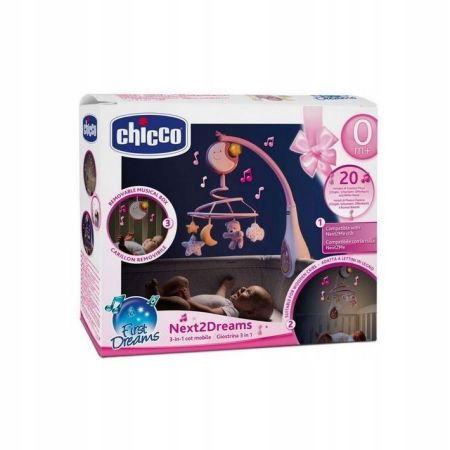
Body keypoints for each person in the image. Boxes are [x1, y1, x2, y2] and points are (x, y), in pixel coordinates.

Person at [146, 275, 273, 322]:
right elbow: (218, 297)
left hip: (186, 310)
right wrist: (224, 286)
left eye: (248, 292)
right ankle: (158, 295)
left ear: (250, 312)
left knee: (182, 304)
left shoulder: (233, 313)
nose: (243, 288)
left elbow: (211, 313)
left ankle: (154, 301)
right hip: (185, 302)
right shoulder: (229, 303)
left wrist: (188, 300)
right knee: (181, 281)